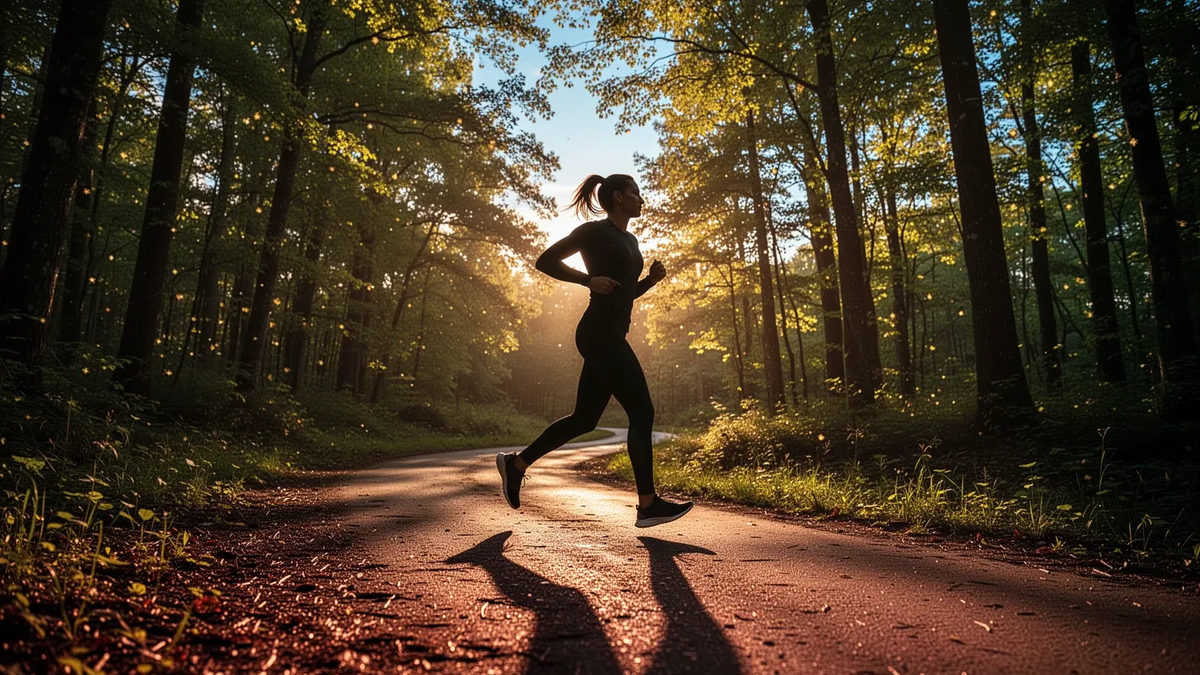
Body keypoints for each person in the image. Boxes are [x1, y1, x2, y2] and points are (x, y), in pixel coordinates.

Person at [497, 173, 693, 528]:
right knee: (643, 412)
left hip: (611, 332)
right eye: (636, 192)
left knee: (585, 419)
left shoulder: (631, 241)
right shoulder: (593, 233)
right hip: (598, 332)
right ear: (618, 197)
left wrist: (649, 281)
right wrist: (587, 280)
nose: (641, 198)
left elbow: (623, 293)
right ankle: (647, 504)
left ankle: (517, 464)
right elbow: (545, 261)